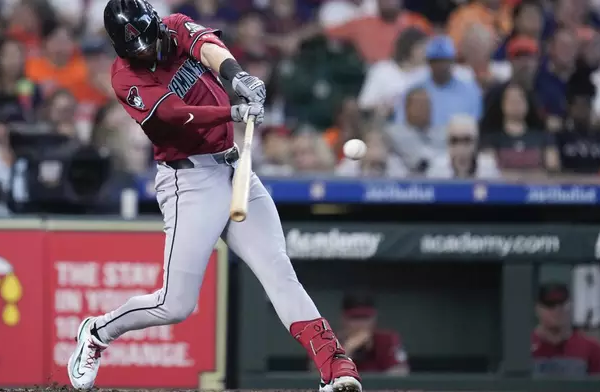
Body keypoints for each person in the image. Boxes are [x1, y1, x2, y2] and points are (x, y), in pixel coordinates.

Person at [66, 2, 362, 392]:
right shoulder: (124, 77)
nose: (145, 50)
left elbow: (206, 46)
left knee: (278, 271)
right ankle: (98, 332)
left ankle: (336, 368)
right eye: (134, 47)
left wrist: (239, 78)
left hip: (233, 167)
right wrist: (232, 112)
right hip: (189, 181)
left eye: (147, 40)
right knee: (175, 304)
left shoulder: (172, 28)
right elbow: (172, 115)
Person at [532, 283, 600, 376]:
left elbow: (598, 388)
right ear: (537, 309)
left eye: (562, 304)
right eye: (550, 305)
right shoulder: (523, 348)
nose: (557, 310)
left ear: (570, 306)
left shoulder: (591, 348)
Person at [338, 293, 409, 375]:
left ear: (374, 319)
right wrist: (348, 349)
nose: (360, 324)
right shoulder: (331, 342)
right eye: (355, 318)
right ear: (343, 319)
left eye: (365, 318)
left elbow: (401, 372)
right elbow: (325, 379)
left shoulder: (387, 340)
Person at [426, 114, 501, 179]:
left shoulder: (488, 167)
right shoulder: (438, 168)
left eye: (467, 140)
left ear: (476, 143)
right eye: (454, 141)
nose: (461, 148)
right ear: (447, 144)